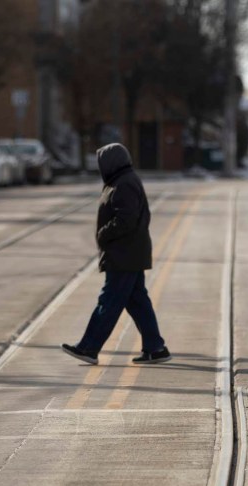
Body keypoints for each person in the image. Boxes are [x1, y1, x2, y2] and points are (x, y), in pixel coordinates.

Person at [61, 143, 171, 366]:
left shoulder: (124, 184)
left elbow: (126, 219)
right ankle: (155, 347)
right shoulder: (121, 181)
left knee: (108, 301)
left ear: (111, 163)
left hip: (124, 255)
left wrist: (104, 233)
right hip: (127, 253)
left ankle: (89, 347)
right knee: (137, 301)